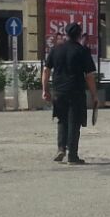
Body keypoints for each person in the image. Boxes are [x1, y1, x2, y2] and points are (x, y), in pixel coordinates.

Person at [41, 23, 97, 165]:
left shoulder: (56, 50)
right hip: (76, 91)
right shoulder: (82, 51)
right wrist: (94, 94)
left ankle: (61, 148)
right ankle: (72, 156)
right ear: (79, 35)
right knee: (74, 123)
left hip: (59, 91)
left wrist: (45, 89)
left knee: (62, 120)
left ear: (65, 34)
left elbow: (46, 70)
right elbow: (89, 76)